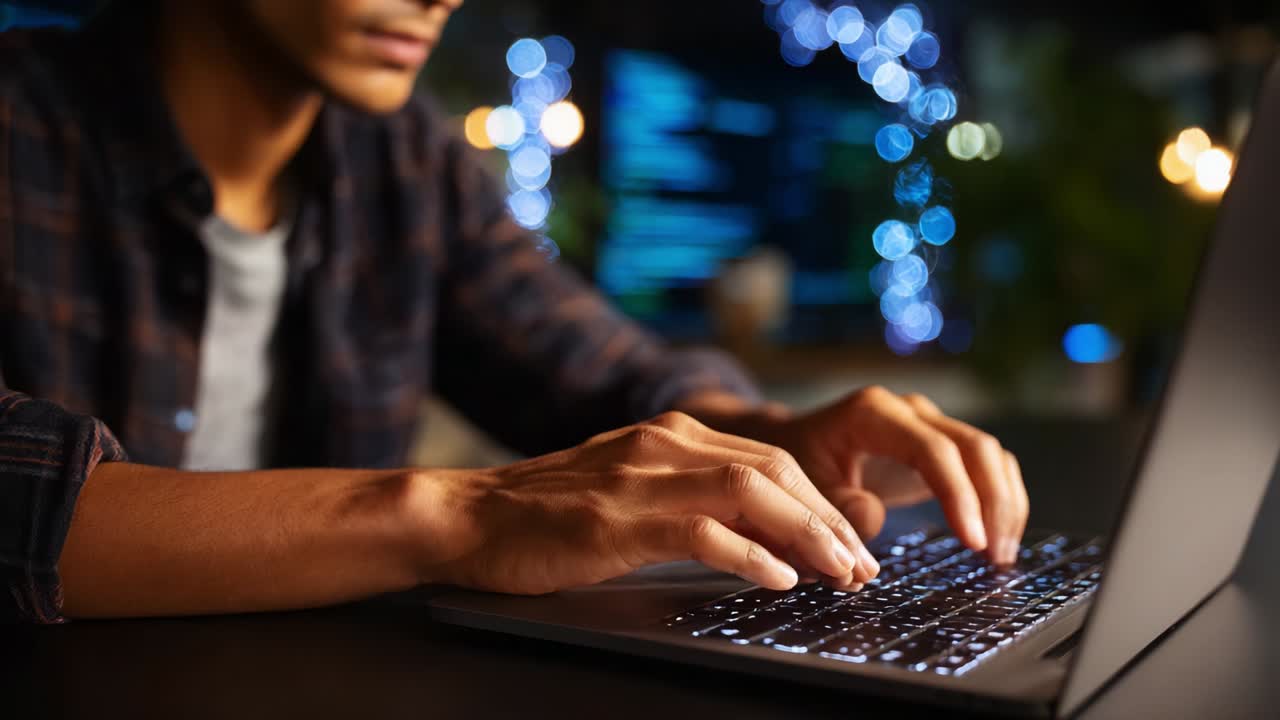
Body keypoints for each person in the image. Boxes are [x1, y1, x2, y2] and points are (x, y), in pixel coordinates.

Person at [0, 0, 1028, 623]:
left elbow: (595, 370)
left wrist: (771, 441)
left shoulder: (401, 163)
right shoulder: (20, 124)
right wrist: (455, 514)